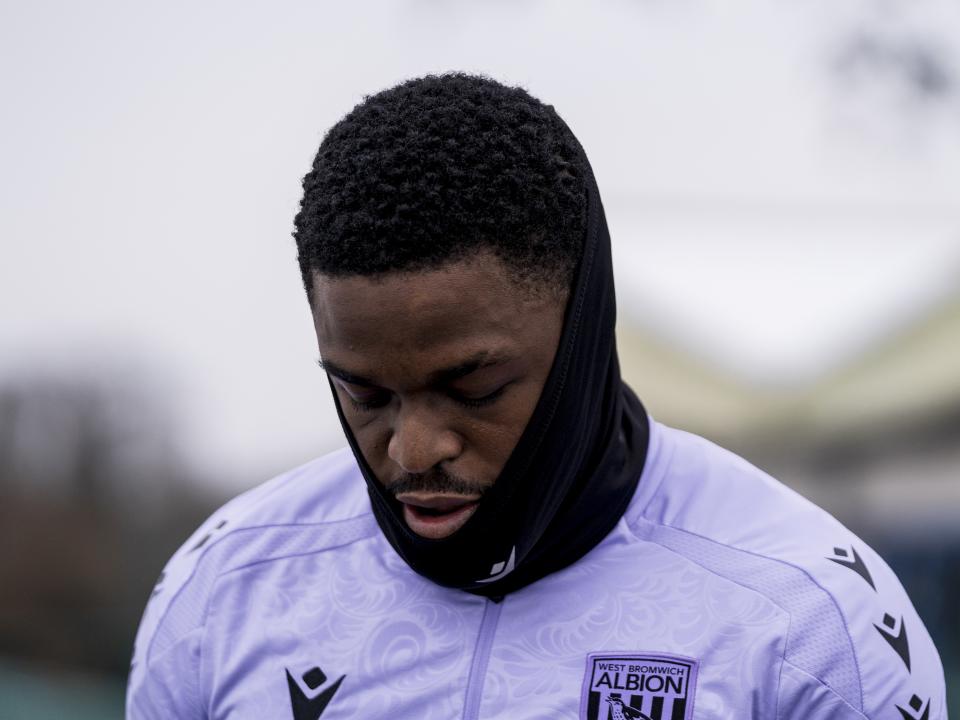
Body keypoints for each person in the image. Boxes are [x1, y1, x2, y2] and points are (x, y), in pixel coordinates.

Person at [126, 73, 947, 719]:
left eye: (473, 387)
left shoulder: (811, 616)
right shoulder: (226, 588)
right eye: (363, 393)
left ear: (582, 332)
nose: (414, 451)